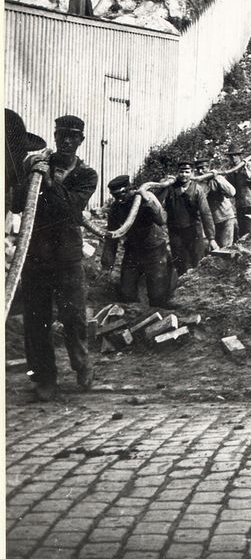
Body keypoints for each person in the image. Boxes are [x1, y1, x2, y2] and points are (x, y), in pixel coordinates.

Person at [19, 115, 98, 401]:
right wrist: (26, 172)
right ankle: (44, 378)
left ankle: (81, 364)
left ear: (80, 141)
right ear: (55, 137)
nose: (66, 141)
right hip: (36, 256)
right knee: (36, 319)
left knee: (74, 317)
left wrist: (47, 179)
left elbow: (69, 207)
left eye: (72, 137)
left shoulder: (87, 175)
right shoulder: (37, 168)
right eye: (62, 135)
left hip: (67, 257)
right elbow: (17, 204)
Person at [101, 175, 174, 307]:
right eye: (115, 196)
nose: (119, 199)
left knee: (158, 293)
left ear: (130, 190)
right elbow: (112, 238)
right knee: (126, 292)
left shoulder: (144, 199)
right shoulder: (116, 208)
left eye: (121, 194)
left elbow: (161, 220)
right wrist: (107, 265)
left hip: (154, 249)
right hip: (133, 250)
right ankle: (132, 318)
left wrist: (147, 200)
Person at [159, 160, 217, 275]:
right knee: (180, 263)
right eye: (181, 172)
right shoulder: (170, 188)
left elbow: (206, 214)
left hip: (193, 231)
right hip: (175, 232)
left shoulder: (197, 189)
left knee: (197, 261)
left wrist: (211, 238)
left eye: (187, 172)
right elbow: (158, 202)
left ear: (192, 173)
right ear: (177, 173)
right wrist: (163, 185)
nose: (184, 175)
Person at [193, 156, 237, 249]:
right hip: (211, 221)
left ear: (208, 168)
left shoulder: (217, 178)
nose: (201, 171)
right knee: (215, 248)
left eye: (203, 168)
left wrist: (216, 177)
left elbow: (232, 192)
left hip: (225, 216)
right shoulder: (199, 183)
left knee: (226, 246)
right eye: (198, 169)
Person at [224, 143, 251, 236]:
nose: (232, 158)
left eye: (234, 155)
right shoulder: (230, 169)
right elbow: (228, 185)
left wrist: (248, 175)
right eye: (230, 156)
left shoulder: (248, 165)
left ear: (239, 156)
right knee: (242, 230)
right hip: (240, 204)